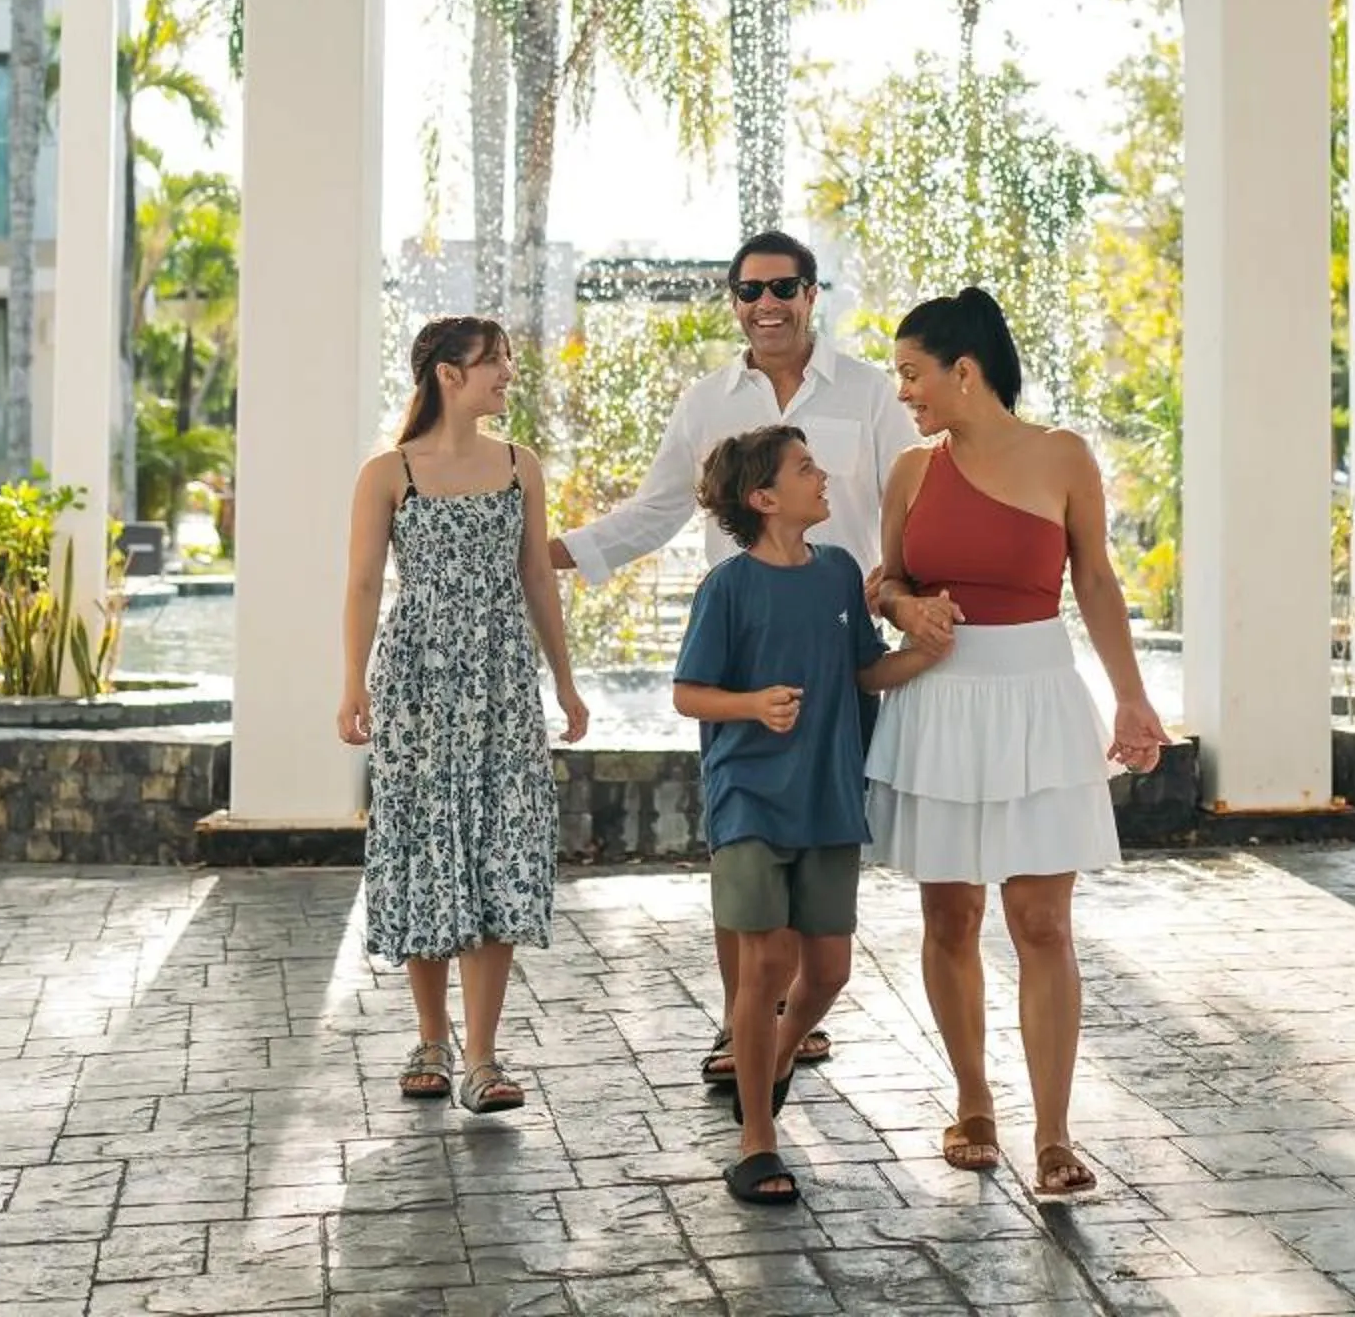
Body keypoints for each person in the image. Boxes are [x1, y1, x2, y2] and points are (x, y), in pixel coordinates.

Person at [553, 230, 946, 1082]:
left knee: (818, 839)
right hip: (741, 658)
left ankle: (795, 1015)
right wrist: (554, 552)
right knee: (743, 847)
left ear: (812, 295)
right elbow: (658, 511)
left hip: (842, 646)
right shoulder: (707, 401)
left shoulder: (870, 393)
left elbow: (898, 509)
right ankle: (744, 1029)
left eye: (784, 287)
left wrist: (907, 593)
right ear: (733, 300)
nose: (766, 304)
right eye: (749, 290)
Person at [864, 287, 1169, 1198]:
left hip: (1039, 700)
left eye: (914, 375)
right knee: (950, 918)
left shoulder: (1064, 456)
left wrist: (1132, 700)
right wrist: (905, 607)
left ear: (966, 370)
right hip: (940, 701)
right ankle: (973, 1104)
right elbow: (887, 585)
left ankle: (1054, 1134)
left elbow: (1100, 584)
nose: (905, 395)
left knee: (1042, 921)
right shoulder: (914, 471)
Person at [671, 425, 946, 1205]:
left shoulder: (836, 574)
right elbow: (689, 694)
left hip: (829, 797)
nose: (823, 477)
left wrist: (930, 649)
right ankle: (756, 1139)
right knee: (764, 965)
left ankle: (779, 1053)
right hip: (749, 799)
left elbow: (865, 669)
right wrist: (753, 705)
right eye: (805, 469)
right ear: (763, 499)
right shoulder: (726, 588)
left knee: (828, 970)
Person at [339, 316, 590, 1117]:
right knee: (422, 842)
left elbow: (537, 581)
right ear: (449, 374)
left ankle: (482, 1056)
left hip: (502, 678)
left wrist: (566, 682)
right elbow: (365, 588)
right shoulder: (388, 473)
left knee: (499, 844)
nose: (508, 373)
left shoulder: (521, 467)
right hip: (416, 680)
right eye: (495, 362)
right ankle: (431, 1036)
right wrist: (354, 684)